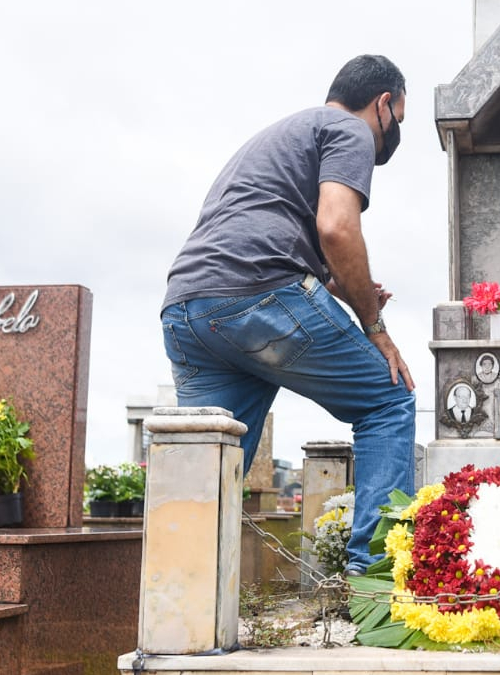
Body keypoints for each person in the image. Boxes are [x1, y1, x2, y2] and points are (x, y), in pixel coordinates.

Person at [160, 54, 415, 577]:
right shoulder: (350, 129)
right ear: (383, 103)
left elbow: (301, 251)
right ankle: (375, 583)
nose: (393, 133)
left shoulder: (278, 138)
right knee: (388, 400)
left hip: (188, 309)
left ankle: (180, 603)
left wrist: (352, 289)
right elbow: (337, 228)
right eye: (398, 119)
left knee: (212, 463)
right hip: (259, 296)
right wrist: (375, 327)